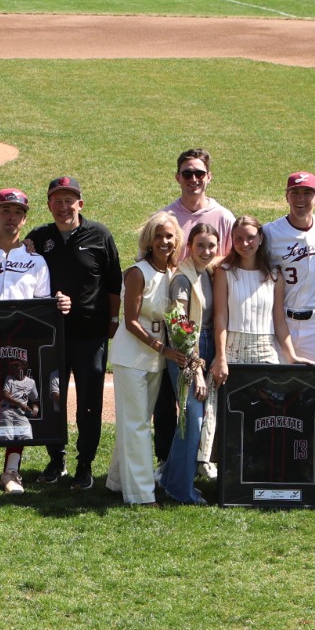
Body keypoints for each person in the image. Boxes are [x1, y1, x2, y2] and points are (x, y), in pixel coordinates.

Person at [0, 187, 69, 495]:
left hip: (22, 347)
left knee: (17, 405)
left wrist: (60, 306)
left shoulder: (36, 262)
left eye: (18, 213)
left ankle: (12, 472)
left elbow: (43, 311)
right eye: (5, 211)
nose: (11, 218)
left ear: (24, 219)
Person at [26, 174, 119, 488]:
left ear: (80, 203)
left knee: (89, 402)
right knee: (53, 400)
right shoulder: (38, 238)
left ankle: (85, 464)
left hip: (90, 335)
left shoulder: (100, 235)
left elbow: (113, 283)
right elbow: (13, 264)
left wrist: (114, 320)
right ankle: (56, 459)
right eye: (57, 200)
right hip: (50, 336)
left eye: (69, 200)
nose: (63, 206)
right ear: (49, 205)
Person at [106, 213, 188, 506]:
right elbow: (129, 321)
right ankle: (140, 494)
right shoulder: (137, 272)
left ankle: (117, 481)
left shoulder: (174, 273)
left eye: (169, 236)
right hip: (132, 355)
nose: (164, 242)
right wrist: (162, 348)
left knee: (136, 421)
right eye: (158, 236)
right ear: (148, 241)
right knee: (137, 425)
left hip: (156, 356)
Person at [158, 222, 220, 504]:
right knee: (192, 420)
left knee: (193, 418)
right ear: (189, 247)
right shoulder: (183, 279)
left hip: (206, 345)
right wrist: (195, 371)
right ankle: (182, 490)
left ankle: (170, 479)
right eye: (200, 246)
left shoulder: (208, 272)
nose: (206, 251)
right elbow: (180, 328)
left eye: (211, 245)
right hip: (187, 353)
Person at [265, 171, 315, 365]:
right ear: (286, 196)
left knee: (312, 385)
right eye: (295, 193)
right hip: (281, 321)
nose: (300, 199)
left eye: (307, 193)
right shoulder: (271, 232)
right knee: (278, 387)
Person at [211, 213, 278, 385]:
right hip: (232, 350)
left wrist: (291, 356)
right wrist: (221, 357)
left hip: (266, 350)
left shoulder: (275, 275)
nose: (245, 244)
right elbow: (220, 317)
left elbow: (279, 321)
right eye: (238, 239)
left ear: (261, 238)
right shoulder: (224, 271)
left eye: (250, 237)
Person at [165, 147, 235, 257]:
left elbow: (235, 263)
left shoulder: (225, 219)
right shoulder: (164, 218)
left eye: (199, 174)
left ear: (209, 177)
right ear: (178, 177)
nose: (193, 179)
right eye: (187, 174)